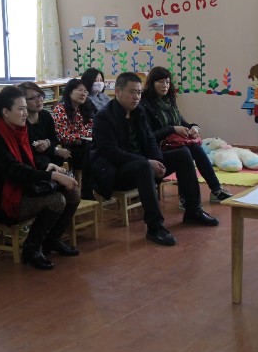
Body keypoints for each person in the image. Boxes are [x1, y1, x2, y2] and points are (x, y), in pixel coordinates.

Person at [91, 72, 219, 246]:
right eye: (132, 92)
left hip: (141, 164)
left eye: (139, 92)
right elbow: (112, 153)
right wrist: (147, 162)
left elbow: (150, 139)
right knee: (143, 166)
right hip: (114, 172)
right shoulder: (103, 117)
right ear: (118, 92)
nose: (137, 97)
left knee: (183, 153)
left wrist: (157, 160)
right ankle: (155, 227)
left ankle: (193, 210)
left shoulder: (138, 112)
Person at [0, 86, 81, 270]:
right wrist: (51, 175)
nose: (25, 113)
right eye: (21, 109)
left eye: (25, 108)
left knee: (73, 192)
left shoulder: (17, 130)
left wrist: (48, 166)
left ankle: (51, 240)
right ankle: (31, 250)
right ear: (6, 112)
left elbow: (28, 159)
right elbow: (14, 170)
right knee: (56, 200)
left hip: (20, 188)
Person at [140, 66, 233, 204]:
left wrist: (194, 128)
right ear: (151, 83)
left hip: (173, 145)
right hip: (157, 151)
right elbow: (149, 137)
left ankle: (216, 189)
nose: (165, 85)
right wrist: (172, 129)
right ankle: (187, 199)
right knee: (184, 152)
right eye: (160, 82)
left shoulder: (170, 102)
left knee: (195, 148)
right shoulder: (144, 106)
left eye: (167, 82)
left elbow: (183, 123)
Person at [52, 78, 94, 199]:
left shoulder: (85, 108)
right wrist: (82, 136)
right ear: (70, 92)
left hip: (84, 146)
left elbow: (92, 129)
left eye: (85, 91)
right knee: (90, 151)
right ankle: (86, 191)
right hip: (68, 150)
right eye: (80, 90)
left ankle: (92, 188)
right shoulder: (60, 109)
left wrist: (82, 135)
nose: (83, 94)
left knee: (95, 150)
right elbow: (63, 136)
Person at [18, 82, 70, 168]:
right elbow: (27, 149)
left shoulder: (45, 115)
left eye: (39, 95)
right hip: (32, 159)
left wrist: (47, 143)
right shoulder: (21, 120)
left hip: (48, 154)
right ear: (23, 102)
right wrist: (54, 150)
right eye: (33, 98)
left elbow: (54, 140)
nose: (39, 100)